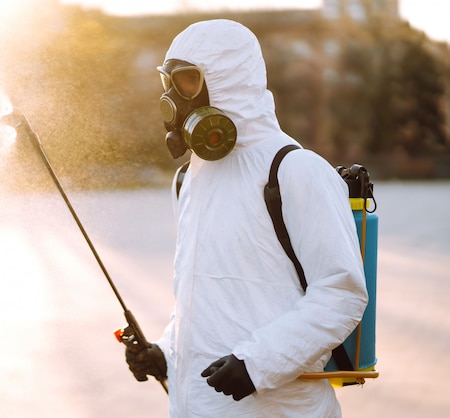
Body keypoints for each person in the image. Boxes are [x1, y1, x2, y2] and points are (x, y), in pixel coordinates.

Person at [124, 19, 368, 417]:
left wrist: (258, 363)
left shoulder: (293, 169)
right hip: (196, 406)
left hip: (280, 407)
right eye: (167, 83)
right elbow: (203, 296)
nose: (173, 98)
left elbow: (341, 293)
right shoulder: (189, 178)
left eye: (186, 81)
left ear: (229, 79)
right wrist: (166, 352)